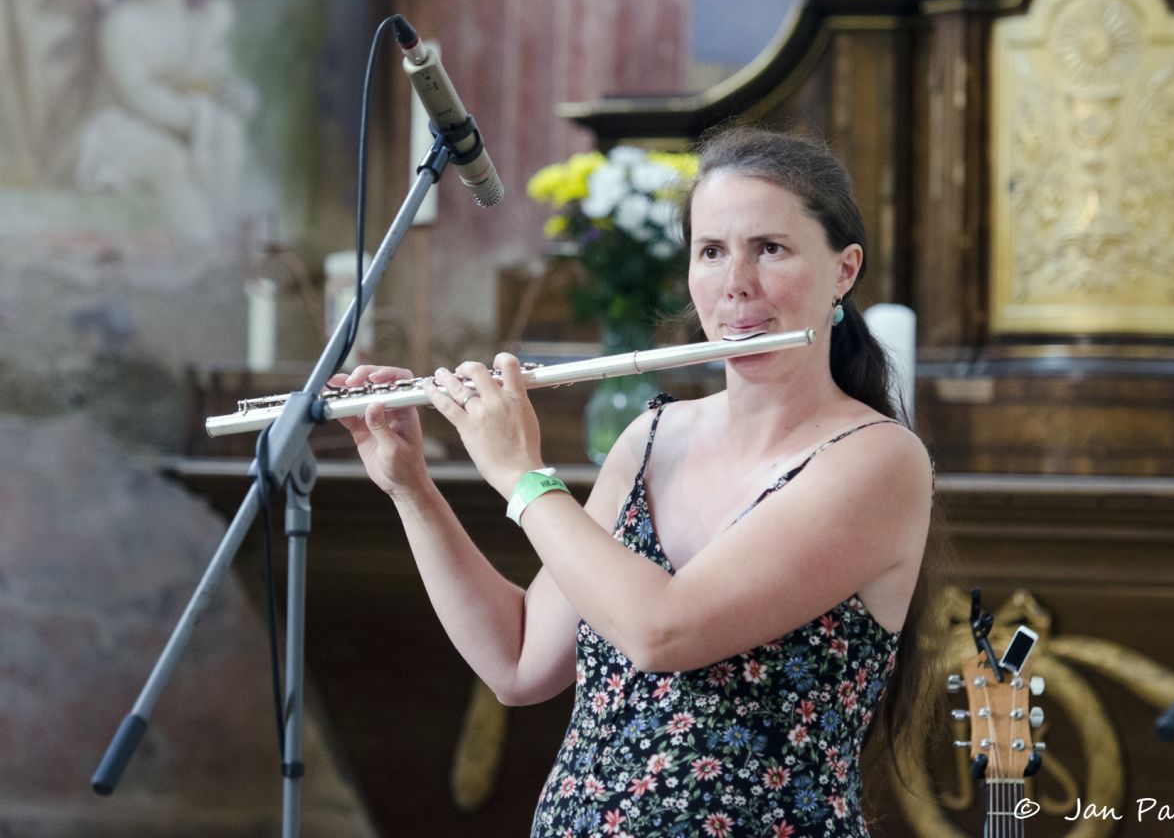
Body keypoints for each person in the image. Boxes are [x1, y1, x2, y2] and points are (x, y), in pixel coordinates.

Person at [337, 127, 934, 837]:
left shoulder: (877, 461)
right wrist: (410, 487)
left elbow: (662, 631)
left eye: (770, 248)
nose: (736, 282)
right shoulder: (650, 440)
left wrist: (522, 475)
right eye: (711, 251)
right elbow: (518, 661)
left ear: (843, 270)